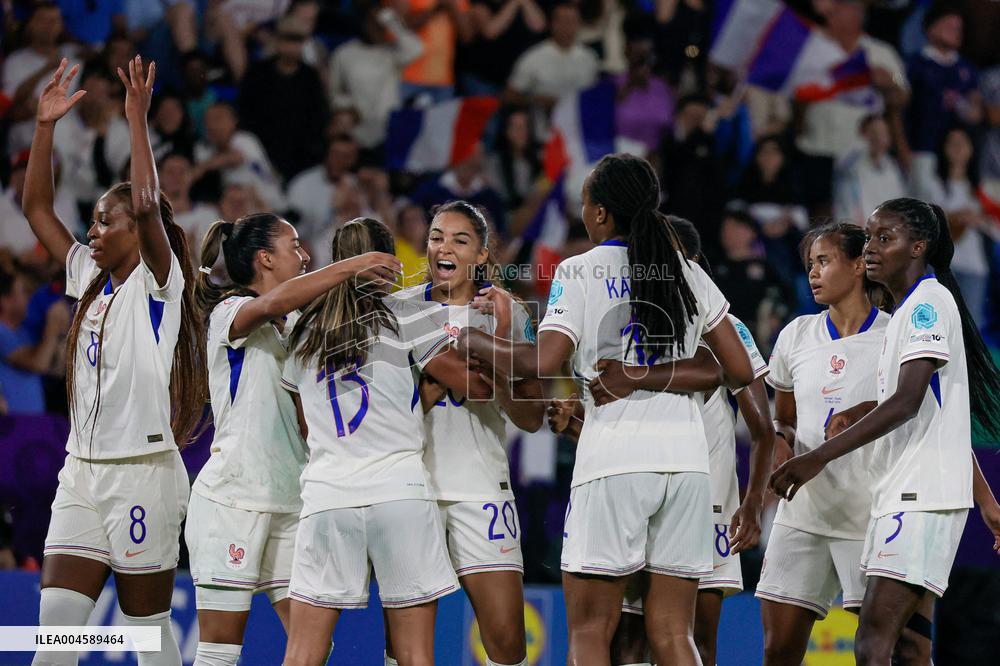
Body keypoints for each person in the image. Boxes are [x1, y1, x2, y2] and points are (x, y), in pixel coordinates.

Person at [456, 154, 756, 665]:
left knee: (590, 630)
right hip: (688, 467)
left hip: (614, 461)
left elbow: (543, 359)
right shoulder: (685, 270)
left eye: (584, 203)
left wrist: (472, 340)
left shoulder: (578, 269)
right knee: (673, 633)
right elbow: (739, 369)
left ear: (599, 213)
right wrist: (649, 373)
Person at [23, 57, 206, 666]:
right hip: (81, 472)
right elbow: (37, 211)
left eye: (106, 221)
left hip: (142, 474)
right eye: (93, 222)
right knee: (55, 642)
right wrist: (44, 128)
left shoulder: (160, 283)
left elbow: (150, 206)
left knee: (147, 635)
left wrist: (135, 120)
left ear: (137, 230)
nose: (93, 231)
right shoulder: (88, 278)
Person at [771, 198, 1000, 665]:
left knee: (874, 642)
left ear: (918, 246)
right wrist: (858, 410)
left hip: (917, 497)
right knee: (905, 648)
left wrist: (818, 456)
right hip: (896, 496)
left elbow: (907, 401)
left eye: (884, 238)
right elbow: (929, 408)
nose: (871, 247)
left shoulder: (925, 306)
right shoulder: (911, 306)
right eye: (871, 237)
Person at [551, 216, 776, 666]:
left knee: (696, 636)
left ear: (688, 263)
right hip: (652, 487)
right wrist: (577, 425)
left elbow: (763, 429)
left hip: (707, 499)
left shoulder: (723, 327)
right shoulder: (635, 323)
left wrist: (752, 503)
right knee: (632, 639)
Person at [186, 213, 401, 666]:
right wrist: (352, 264)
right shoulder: (230, 312)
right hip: (232, 502)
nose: (305, 255)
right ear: (265, 258)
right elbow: (271, 305)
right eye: (295, 245)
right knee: (219, 651)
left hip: (291, 504)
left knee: (312, 648)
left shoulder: (301, 322)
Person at [280, 217, 494, 666]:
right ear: (390, 262)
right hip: (400, 494)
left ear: (337, 261)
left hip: (327, 497)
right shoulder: (406, 313)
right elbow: (475, 387)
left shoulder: (302, 328)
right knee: (414, 656)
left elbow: (306, 429)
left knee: (301, 656)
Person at [388, 201, 544, 666]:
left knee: (507, 644)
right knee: (404, 648)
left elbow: (531, 417)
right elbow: (383, 409)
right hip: (412, 489)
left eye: (460, 240)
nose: (444, 248)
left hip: (481, 488)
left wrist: (493, 363)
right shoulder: (399, 310)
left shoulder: (509, 313)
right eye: (436, 237)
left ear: (481, 254)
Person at [757, 222, 890, 666]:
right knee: (778, 651)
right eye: (810, 264)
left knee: (878, 653)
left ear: (858, 265)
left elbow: (911, 408)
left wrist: (858, 412)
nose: (813, 273)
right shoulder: (796, 334)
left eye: (824, 261)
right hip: (803, 513)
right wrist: (781, 441)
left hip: (869, 515)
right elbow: (785, 417)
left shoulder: (894, 335)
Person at [0, 265, 69, 415]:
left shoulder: (22, 333)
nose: (29, 298)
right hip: (14, 424)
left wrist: (62, 333)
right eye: (24, 293)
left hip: (33, 422)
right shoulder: (2, 333)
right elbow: (38, 364)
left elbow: (56, 369)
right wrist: (53, 325)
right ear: (5, 300)